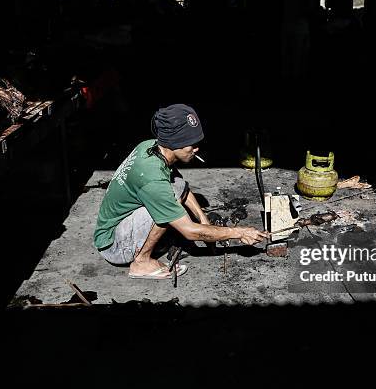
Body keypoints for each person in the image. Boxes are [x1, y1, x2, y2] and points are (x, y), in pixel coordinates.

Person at [93, 104, 269, 279]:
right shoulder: (152, 178)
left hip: (120, 224)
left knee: (174, 187)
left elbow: (179, 185)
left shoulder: (151, 147)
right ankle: (141, 262)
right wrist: (240, 232)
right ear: (173, 144)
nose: (196, 148)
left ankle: (146, 244)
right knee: (166, 207)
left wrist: (205, 222)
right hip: (114, 245)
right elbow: (189, 231)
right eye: (190, 144)